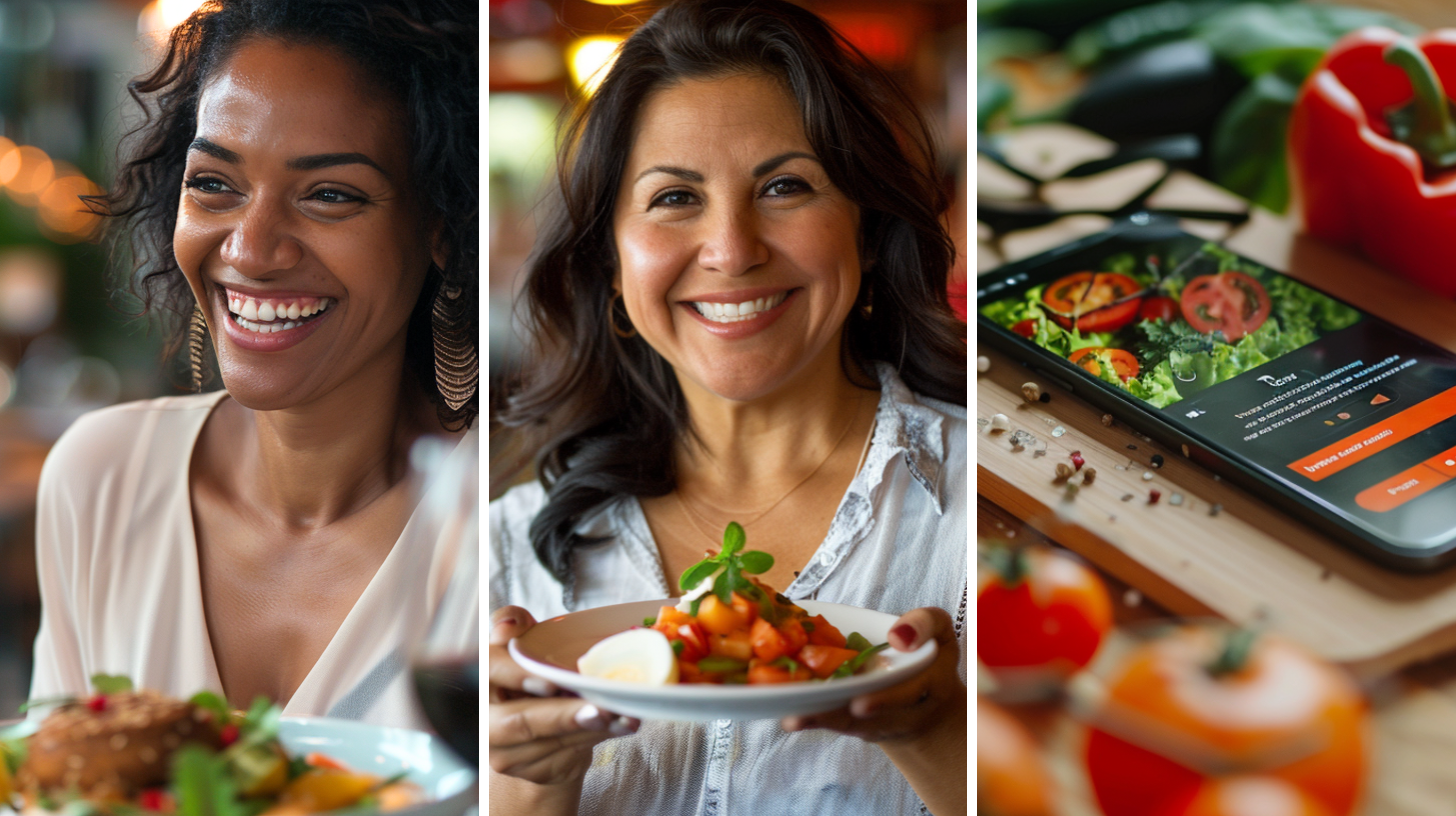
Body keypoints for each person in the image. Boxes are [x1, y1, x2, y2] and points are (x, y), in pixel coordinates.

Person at [488, 0, 967, 813]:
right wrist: (532, 781)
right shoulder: (507, 550)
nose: (733, 250)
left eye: (784, 186)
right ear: (609, 260)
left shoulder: (983, 511)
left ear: (865, 226)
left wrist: (940, 742)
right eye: (675, 198)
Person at [28, 0, 479, 731]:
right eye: (214, 184)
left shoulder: (497, 521)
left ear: (441, 229)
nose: (249, 250)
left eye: (330, 195)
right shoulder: (102, 477)